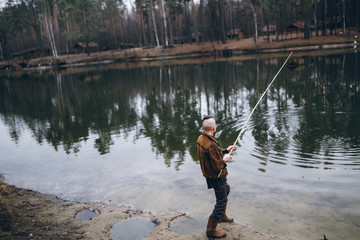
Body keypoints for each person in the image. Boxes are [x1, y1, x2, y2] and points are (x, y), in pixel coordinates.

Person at [196, 115, 235, 238]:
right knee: (221, 202)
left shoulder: (201, 138)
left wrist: (225, 150)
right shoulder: (211, 145)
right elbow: (218, 165)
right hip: (216, 176)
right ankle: (211, 230)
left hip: (210, 175)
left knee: (226, 189)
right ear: (214, 128)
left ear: (203, 127)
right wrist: (225, 159)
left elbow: (212, 154)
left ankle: (222, 216)